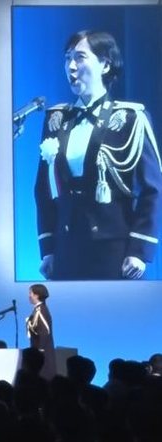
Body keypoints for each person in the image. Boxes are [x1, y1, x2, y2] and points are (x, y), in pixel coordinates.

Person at [34, 30, 162, 280]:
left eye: (80, 57)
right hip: (66, 249)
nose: (71, 66)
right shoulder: (56, 120)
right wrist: (48, 248)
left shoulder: (130, 118)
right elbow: (43, 189)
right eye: (67, 58)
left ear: (105, 64)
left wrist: (139, 250)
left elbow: (153, 189)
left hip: (114, 251)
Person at [26, 284, 56, 379]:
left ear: (37, 295)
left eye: (30, 293)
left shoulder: (41, 310)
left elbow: (45, 332)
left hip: (43, 353)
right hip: (39, 352)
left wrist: (40, 351)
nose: (29, 296)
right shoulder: (38, 309)